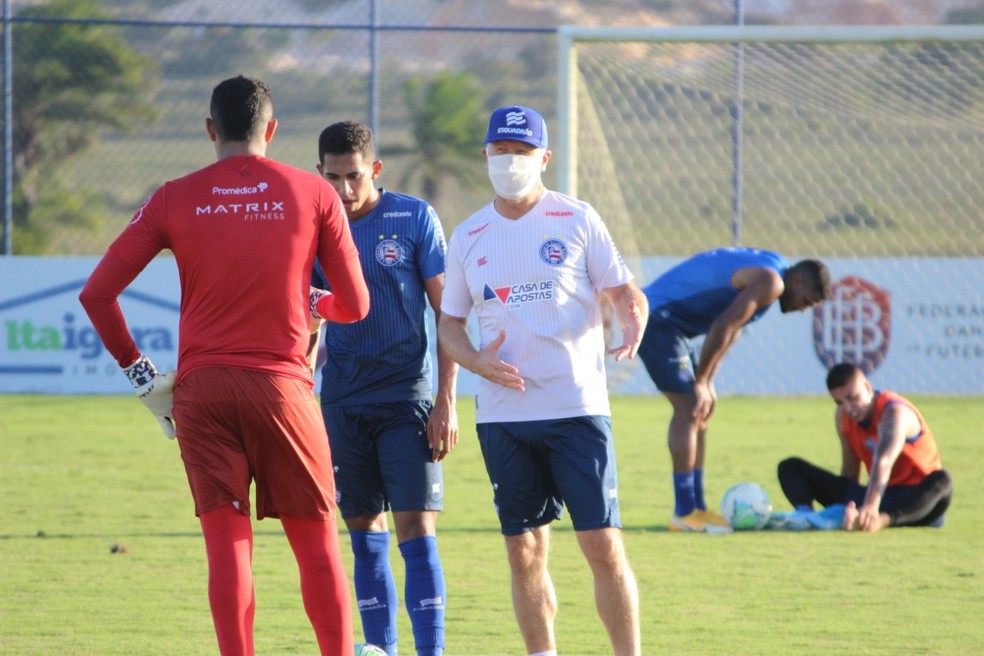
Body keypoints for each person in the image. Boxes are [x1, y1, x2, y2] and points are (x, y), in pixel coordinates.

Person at [78, 75, 370, 656]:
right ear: (273, 129)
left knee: (228, 547)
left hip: (201, 392)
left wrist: (141, 375)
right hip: (283, 390)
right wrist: (314, 304)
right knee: (316, 546)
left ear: (210, 129)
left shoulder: (173, 195)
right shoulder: (314, 192)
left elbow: (97, 294)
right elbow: (355, 306)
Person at [438, 104, 646, 656]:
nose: (510, 163)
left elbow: (625, 290)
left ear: (544, 157)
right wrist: (476, 362)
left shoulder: (577, 218)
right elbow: (450, 325)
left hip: (577, 410)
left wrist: (631, 313)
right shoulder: (469, 235)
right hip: (504, 418)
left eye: (522, 152)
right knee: (524, 551)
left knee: (602, 545)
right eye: (500, 152)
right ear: (485, 155)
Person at [310, 120, 458, 656]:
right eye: (333, 178)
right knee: (363, 534)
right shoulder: (314, 225)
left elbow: (449, 317)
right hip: (343, 403)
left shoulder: (414, 217)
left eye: (353, 176)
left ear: (374, 169)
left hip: (408, 401)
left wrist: (446, 402)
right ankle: (380, 651)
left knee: (416, 532)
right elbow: (307, 320)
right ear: (319, 173)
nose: (344, 190)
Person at [637, 247, 832, 533]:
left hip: (670, 324)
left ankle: (697, 508)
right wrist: (701, 382)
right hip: (657, 319)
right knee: (689, 407)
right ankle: (684, 511)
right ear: (799, 280)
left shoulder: (773, 272)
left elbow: (734, 329)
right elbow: (722, 326)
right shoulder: (771, 282)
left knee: (700, 410)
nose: (802, 309)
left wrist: (709, 383)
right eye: (807, 302)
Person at [775, 362, 953, 532]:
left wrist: (869, 507)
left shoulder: (894, 413)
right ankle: (805, 517)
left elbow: (884, 461)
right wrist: (847, 504)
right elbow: (850, 472)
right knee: (790, 467)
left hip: (915, 501)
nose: (848, 408)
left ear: (867, 387)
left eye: (852, 398)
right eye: (839, 402)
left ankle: (878, 520)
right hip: (878, 495)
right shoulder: (843, 416)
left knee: (942, 480)